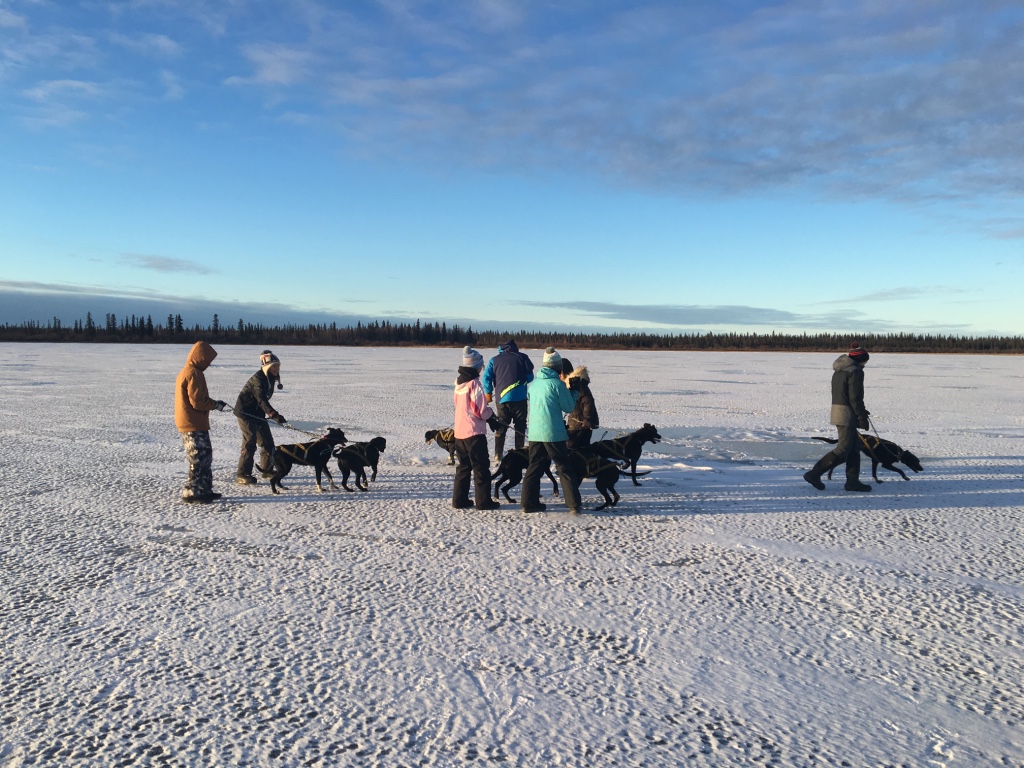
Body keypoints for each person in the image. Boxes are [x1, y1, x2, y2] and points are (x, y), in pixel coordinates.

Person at [520, 347, 583, 514]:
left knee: (534, 467)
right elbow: (568, 407)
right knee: (563, 467)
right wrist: (574, 392)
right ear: (557, 367)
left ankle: (528, 503)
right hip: (553, 433)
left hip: (535, 432)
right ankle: (573, 504)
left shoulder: (533, 385)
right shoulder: (557, 385)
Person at [804, 342, 873, 492]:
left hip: (838, 410)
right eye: (866, 360)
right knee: (843, 449)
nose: (866, 363)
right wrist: (861, 417)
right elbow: (855, 398)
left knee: (854, 449)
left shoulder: (840, 370)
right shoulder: (855, 371)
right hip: (846, 414)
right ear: (861, 359)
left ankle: (852, 482)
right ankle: (814, 474)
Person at [174, 340, 229, 503]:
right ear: (200, 357)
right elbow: (197, 402)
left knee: (204, 456)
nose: (209, 364)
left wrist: (213, 403)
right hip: (192, 422)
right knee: (199, 457)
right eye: (208, 360)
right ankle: (193, 492)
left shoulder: (187, 371)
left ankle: (204, 489)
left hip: (193, 421)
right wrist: (214, 405)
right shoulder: (194, 373)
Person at [452, 346, 503, 510]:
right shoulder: (475, 384)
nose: (482, 367)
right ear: (476, 366)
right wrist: (491, 418)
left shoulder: (459, 383)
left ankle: (459, 500)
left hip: (459, 432)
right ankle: (483, 501)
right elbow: (480, 410)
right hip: (473, 433)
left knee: (463, 468)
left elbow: (458, 404)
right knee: (481, 467)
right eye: (481, 364)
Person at [234, 349, 287, 485]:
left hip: (258, 414)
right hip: (245, 413)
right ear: (267, 367)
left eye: (278, 366)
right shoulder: (258, 379)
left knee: (268, 442)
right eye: (274, 366)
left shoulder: (270, 378)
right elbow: (261, 399)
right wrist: (273, 414)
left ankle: (266, 470)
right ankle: (243, 474)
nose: (276, 368)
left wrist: (270, 414)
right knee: (250, 442)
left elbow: (262, 402)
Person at [482, 339, 534, 463]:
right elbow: (530, 376)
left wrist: (488, 392)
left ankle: (497, 454)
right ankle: (519, 452)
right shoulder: (522, 357)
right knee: (520, 425)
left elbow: (486, 378)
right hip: (520, 398)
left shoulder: (494, 360)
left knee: (502, 425)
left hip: (502, 399)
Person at [562, 358, 598, 449]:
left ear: (563, 373)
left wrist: (587, 419)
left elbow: (588, 402)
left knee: (576, 452)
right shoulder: (571, 384)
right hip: (576, 424)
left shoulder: (578, 385)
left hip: (580, 426)